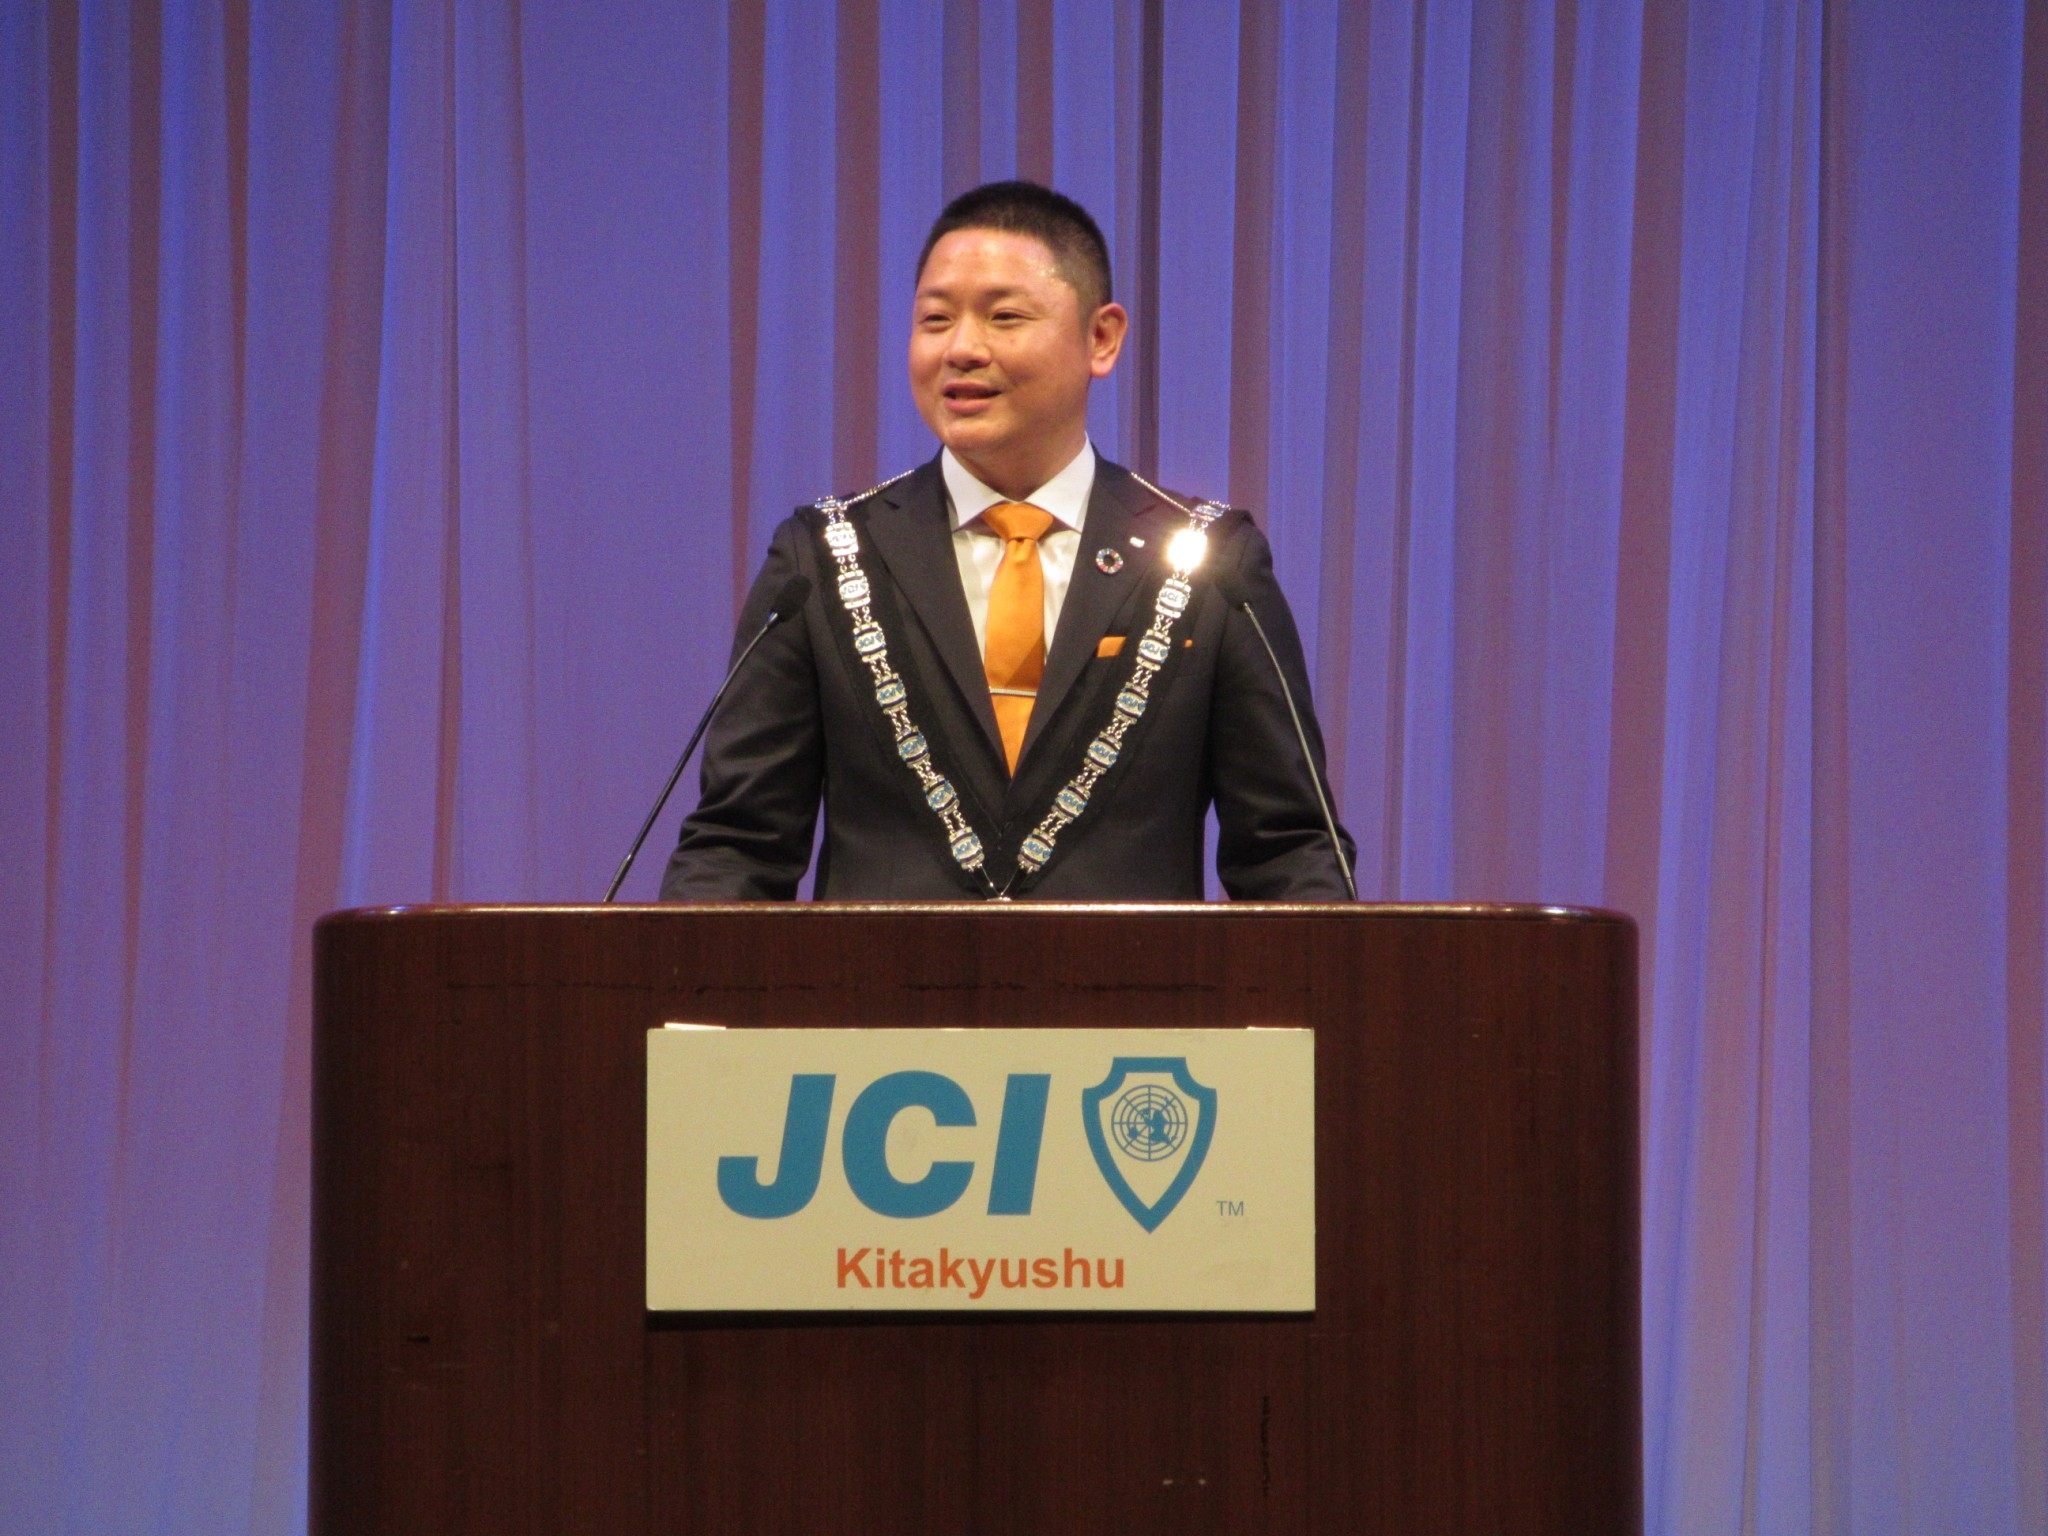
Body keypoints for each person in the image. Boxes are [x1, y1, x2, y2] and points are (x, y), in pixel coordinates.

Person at [659, 180, 1354, 901]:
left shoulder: (1209, 562)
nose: (962, 349)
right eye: (935, 320)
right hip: (878, 980)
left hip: (1129, 980)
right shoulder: (826, 557)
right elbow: (737, 846)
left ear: (1101, 338)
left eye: (1004, 317)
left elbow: (1289, 851)